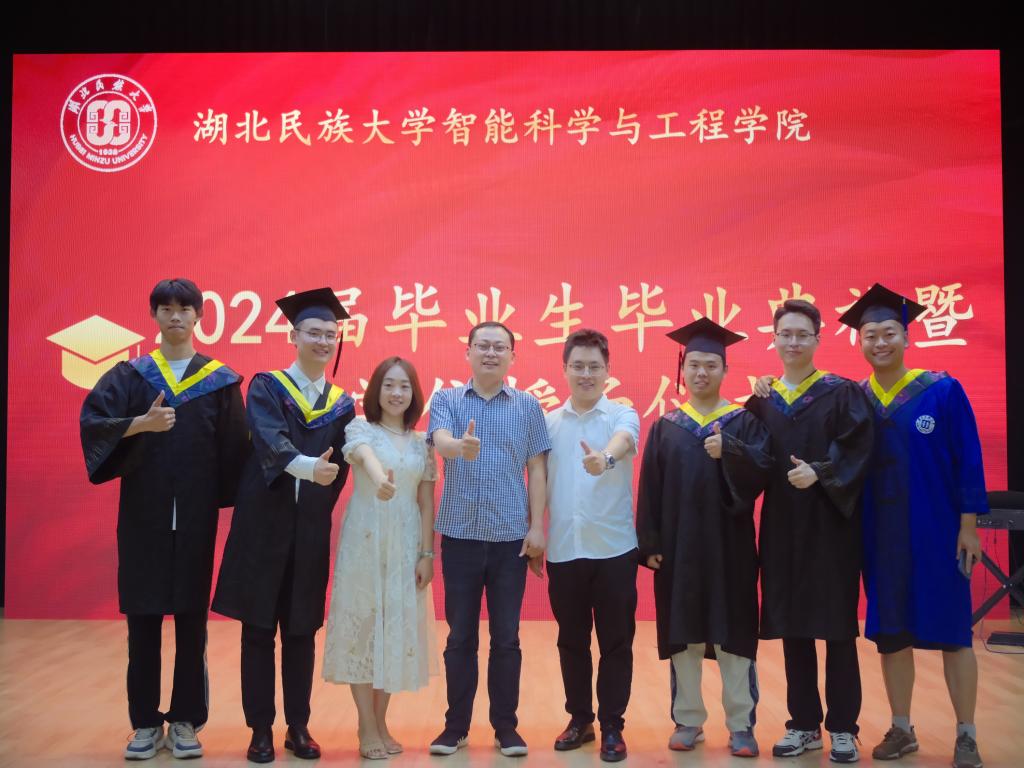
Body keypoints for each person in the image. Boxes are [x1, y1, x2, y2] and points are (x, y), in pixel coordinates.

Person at [80, 278, 248, 760]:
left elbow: (236, 450)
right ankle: (145, 723)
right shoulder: (130, 377)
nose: (176, 316)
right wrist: (141, 424)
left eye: (185, 309)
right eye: (166, 308)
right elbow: (94, 424)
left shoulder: (219, 382)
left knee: (192, 623)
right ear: (153, 315)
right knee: (143, 621)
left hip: (194, 519)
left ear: (199, 316)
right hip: (144, 519)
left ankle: (186, 720)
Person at [839, 284, 987, 768]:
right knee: (892, 634)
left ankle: (967, 734)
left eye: (889, 333)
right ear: (859, 341)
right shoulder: (856, 399)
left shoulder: (942, 391)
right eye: (870, 335)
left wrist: (969, 527)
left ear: (906, 336)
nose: (880, 342)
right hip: (879, 537)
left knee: (953, 633)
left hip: (937, 533)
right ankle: (902, 728)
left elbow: (969, 461)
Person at [212, 287, 355, 763]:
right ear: (293, 336)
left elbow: (341, 469)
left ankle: (298, 726)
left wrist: (319, 493)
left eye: (330, 335)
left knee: (301, 631)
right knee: (257, 631)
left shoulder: (341, 404)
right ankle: (259, 730)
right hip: (263, 526)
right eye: (314, 332)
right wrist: (310, 470)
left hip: (308, 531)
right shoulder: (266, 387)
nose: (323, 341)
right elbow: (270, 442)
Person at [637, 318, 772, 759]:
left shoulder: (743, 422)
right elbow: (650, 487)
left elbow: (761, 473)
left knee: (735, 636)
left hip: (730, 548)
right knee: (685, 635)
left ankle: (741, 724)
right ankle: (688, 720)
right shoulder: (667, 426)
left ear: (725, 370)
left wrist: (730, 450)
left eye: (711, 365)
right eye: (693, 364)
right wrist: (650, 543)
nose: (701, 372)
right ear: (683, 369)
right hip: (679, 550)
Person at [747, 299, 874, 764]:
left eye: (803, 334)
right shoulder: (763, 400)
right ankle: (803, 724)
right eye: (786, 334)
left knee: (838, 630)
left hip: (831, 529)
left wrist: (820, 471)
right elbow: (752, 456)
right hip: (782, 528)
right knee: (793, 628)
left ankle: (842, 728)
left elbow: (859, 448)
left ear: (818, 340)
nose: (794, 342)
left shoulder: (842, 393)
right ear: (774, 339)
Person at [426, 321, 551, 758]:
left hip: (509, 540)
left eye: (500, 347)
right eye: (483, 346)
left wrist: (537, 527)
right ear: (468, 352)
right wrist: (458, 447)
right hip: (460, 537)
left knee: (507, 638)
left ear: (513, 356)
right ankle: (455, 727)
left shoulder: (527, 405)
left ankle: (506, 728)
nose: (491, 353)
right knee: (460, 636)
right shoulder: (446, 399)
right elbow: (440, 440)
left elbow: (537, 467)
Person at [321, 356, 439, 760]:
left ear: (414, 394)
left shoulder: (423, 442)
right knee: (364, 628)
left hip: (406, 540)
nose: (396, 393)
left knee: (395, 629)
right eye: (389, 385)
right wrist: (379, 480)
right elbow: (364, 456)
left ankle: (381, 720)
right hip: (366, 538)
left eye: (404, 386)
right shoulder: (360, 428)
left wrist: (426, 553)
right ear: (376, 390)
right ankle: (365, 724)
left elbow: (426, 502)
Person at [544, 329, 640, 763]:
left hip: (614, 549)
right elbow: (537, 478)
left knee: (616, 642)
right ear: (565, 370)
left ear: (607, 371)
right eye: (578, 366)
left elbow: (624, 442)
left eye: (594, 367)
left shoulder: (622, 415)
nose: (586, 374)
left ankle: (613, 725)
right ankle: (580, 719)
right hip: (565, 549)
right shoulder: (548, 423)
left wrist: (606, 459)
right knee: (571, 641)